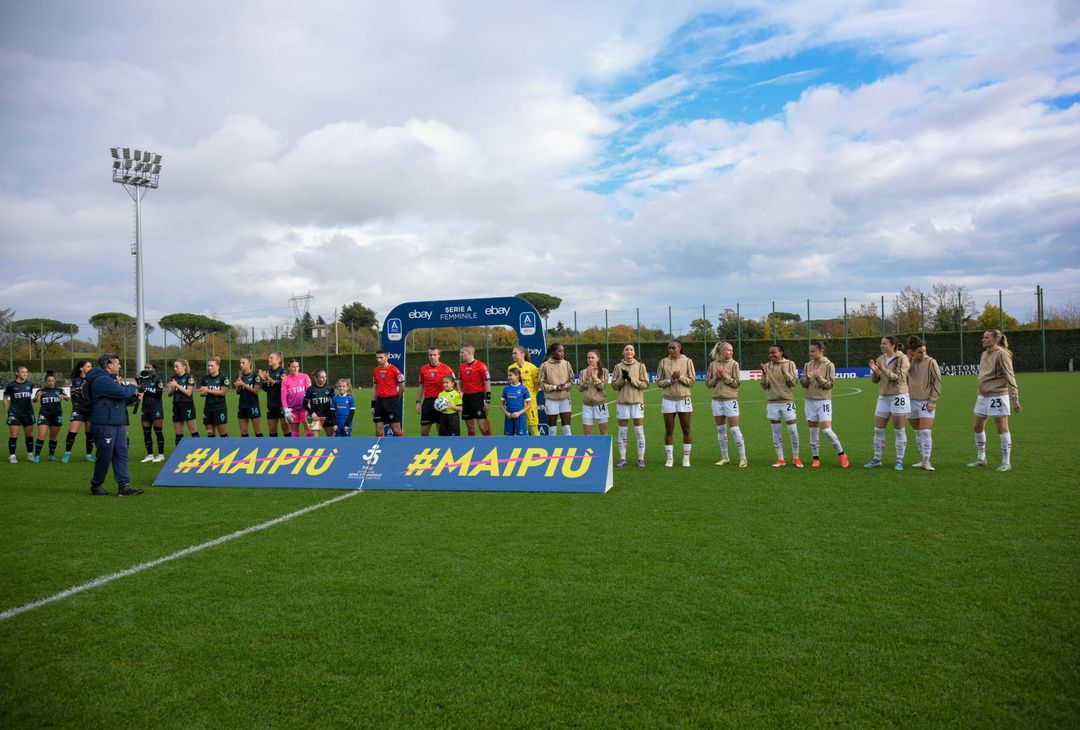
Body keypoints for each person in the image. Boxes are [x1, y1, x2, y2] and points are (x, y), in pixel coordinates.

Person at [85, 353, 143, 496]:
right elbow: (121, 392)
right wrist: (132, 387)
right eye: (118, 363)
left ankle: (124, 486)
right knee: (105, 456)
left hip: (117, 423)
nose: (119, 366)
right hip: (105, 424)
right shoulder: (101, 380)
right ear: (109, 365)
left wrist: (133, 398)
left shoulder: (109, 379)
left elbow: (120, 399)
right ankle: (96, 485)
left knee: (121, 454)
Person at [970, 329, 1021, 471]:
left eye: (986, 337)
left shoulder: (1002, 354)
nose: (983, 340)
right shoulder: (984, 353)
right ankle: (981, 458)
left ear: (995, 339)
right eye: (983, 337)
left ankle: (1006, 462)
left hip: (998, 396)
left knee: (1002, 428)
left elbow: (1010, 376)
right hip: (983, 396)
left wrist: (1014, 399)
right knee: (977, 426)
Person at [800, 341, 849, 469]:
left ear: (821, 351)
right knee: (813, 432)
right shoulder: (807, 365)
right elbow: (803, 384)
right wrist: (807, 378)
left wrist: (819, 379)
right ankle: (816, 458)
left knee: (827, 430)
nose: (810, 353)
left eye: (813, 351)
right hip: (809, 400)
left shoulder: (829, 365)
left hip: (823, 401)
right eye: (809, 351)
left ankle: (842, 454)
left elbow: (830, 385)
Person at [865, 335, 910, 471]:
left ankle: (899, 460)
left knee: (899, 430)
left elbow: (899, 379)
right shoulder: (881, 358)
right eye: (881, 343)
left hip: (898, 396)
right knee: (878, 429)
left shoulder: (902, 358)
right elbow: (875, 380)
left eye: (884, 343)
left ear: (893, 345)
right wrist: (875, 372)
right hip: (883, 396)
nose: (881, 345)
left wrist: (883, 369)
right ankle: (877, 459)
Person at [705, 341, 748, 468]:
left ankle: (743, 458)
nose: (731, 352)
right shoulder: (713, 365)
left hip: (730, 400)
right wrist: (717, 378)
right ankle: (725, 457)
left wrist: (724, 376)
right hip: (717, 400)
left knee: (734, 429)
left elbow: (736, 383)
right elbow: (708, 384)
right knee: (720, 429)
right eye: (728, 350)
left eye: (732, 350)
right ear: (721, 351)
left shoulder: (734, 364)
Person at [761, 345, 802, 468]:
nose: (771, 355)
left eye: (773, 352)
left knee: (792, 430)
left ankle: (796, 457)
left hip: (787, 401)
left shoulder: (790, 364)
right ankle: (780, 459)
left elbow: (794, 382)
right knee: (776, 431)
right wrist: (764, 374)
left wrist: (785, 373)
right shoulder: (767, 366)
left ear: (781, 353)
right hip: (772, 403)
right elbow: (764, 386)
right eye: (770, 353)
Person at [657, 339, 696, 467]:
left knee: (686, 429)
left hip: (684, 399)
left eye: (673, 348)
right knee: (669, 430)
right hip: (668, 399)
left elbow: (692, 380)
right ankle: (669, 458)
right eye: (669, 348)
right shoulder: (663, 362)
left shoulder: (688, 361)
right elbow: (658, 382)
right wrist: (670, 380)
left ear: (680, 348)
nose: (671, 350)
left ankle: (686, 458)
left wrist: (680, 377)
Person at [907, 336, 942, 470]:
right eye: (920, 352)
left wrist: (933, 400)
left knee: (926, 432)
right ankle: (922, 459)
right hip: (910, 402)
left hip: (926, 401)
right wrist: (909, 360)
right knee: (917, 433)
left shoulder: (931, 362)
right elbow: (902, 376)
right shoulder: (908, 362)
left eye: (924, 351)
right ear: (912, 352)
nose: (923, 354)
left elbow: (937, 382)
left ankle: (927, 461)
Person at [611, 343, 649, 467]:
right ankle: (622, 459)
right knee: (623, 431)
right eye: (626, 349)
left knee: (639, 431)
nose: (629, 351)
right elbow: (614, 386)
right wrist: (622, 378)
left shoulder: (640, 366)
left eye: (631, 349)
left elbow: (645, 384)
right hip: (622, 402)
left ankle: (641, 459)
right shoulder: (618, 366)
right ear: (623, 352)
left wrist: (631, 380)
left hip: (637, 402)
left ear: (634, 352)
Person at [538, 343, 575, 436]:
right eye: (559, 351)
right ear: (552, 352)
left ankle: (569, 448)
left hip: (565, 399)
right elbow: (540, 383)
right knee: (552, 429)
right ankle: (552, 448)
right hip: (551, 400)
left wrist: (565, 386)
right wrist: (554, 387)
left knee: (567, 428)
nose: (562, 353)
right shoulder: (544, 365)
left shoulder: (567, 364)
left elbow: (572, 381)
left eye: (563, 351)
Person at [416, 347, 454, 436]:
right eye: (430, 355)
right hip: (428, 402)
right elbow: (421, 386)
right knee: (424, 431)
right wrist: (418, 402)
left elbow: (454, 384)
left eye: (434, 355)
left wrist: (456, 395)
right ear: (428, 356)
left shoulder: (447, 369)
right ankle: (425, 448)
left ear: (439, 355)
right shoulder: (423, 369)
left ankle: (441, 448)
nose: (432, 357)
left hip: (442, 401)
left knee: (441, 430)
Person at [62, 359, 95, 463]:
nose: (91, 368)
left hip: (91, 410)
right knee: (72, 433)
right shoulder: (75, 380)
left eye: (91, 366)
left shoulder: (94, 380)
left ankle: (88, 455)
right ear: (82, 368)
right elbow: (75, 396)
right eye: (88, 366)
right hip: (79, 409)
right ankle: (67, 453)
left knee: (90, 434)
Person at [32, 370, 68, 462]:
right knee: (41, 435)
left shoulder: (60, 390)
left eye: (52, 381)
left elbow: (67, 398)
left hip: (56, 415)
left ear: (55, 381)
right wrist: (37, 397)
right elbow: (34, 400)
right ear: (46, 382)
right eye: (49, 381)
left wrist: (63, 397)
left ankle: (51, 455)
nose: (51, 382)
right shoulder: (41, 390)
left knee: (53, 436)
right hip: (44, 415)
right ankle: (36, 456)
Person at [458, 345, 492, 436]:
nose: (460, 355)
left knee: (482, 426)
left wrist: (488, 401)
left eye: (462, 352)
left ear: (469, 353)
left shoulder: (481, 366)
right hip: (466, 398)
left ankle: (489, 444)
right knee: (470, 427)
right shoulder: (461, 367)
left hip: (478, 398)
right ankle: (472, 445)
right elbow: (460, 383)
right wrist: (459, 391)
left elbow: (487, 384)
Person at [135, 363, 166, 462]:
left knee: (158, 431)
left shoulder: (158, 380)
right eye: (145, 368)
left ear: (154, 369)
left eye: (149, 368)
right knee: (146, 433)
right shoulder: (142, 379)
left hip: (156, 408)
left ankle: (161, 455)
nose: (146, 369)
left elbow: (158, 395)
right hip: (145, 408)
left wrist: (146, 391)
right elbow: (138, 385)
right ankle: (150, 455)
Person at [508, 345, 541, 435]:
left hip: (529, 402)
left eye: (515, 353)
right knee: (518, 429)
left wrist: (531, 395)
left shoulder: (532, 367)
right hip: (516, 402)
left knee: (533, 427)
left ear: (522, 354)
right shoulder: (511, 367)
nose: (513, 355)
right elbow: (510, 385)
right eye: (512, 353)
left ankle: (537, 447)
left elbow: (537, 385)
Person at [5, 366, 35, 463]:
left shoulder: (30, 384)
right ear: (17, 373)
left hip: (28, 413)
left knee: (29, 434)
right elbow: (5, 398)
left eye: (26, 372)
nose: (25, 374)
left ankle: (30, 454)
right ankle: (12, 456)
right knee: (14, 435)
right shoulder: (11, 385)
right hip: (14, 413)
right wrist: (7, 411)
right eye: (22, 372)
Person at [372, 349, 405, 436]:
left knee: (396, 428)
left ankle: (402, 447)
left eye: (381, 357)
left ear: (387, 357)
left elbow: (402, 386)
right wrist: (373, 405)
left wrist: (396, 398)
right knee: (378, 429)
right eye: (377, 357)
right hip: (379, 402)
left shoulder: (394, 370)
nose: (379, 359)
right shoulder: (375, 371)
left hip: (391, 401)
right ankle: (379, 448)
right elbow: (375, 388)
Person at [166, 359, 198, 445]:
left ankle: (198, 450)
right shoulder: (173, 378)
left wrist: (177, 385)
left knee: (193, 431)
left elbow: (188, 393)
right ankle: (178, 454)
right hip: (176, 406)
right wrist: (172, 389)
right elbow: (169, 394)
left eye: (177, 366)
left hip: (187, 405)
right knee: (178, 433)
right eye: (174, 367)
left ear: (184, 367)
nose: (175, 368)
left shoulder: (189, 377)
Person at [577, 350, 609, 436]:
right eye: (588, 358)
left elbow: (602, 386)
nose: (590, 359)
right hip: (587, 406)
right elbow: (580, 388)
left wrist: (593, 376)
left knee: (603, 433)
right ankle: (590, 449)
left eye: (592, 357)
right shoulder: (583, 372)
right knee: (587, 434)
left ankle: (604, 449)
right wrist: (587, 377)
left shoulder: (604, 371)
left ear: (597, 358)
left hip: (600, 405)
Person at [234, 356, 264, 437]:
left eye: (243, 363)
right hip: (242, 405)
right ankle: (245, 448)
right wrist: (238, 384)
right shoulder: (239, 375)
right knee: (244, 432)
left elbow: (256, 391)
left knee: (257, 431)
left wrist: (243, 384)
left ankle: (261, 447)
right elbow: (237, 392)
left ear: (249, 364)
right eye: (240, 363)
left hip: (253, 405)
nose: (241, 365)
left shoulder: (255, 375)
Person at [199, 358, 230, 437]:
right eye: (208, 365)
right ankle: (213, 449)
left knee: (223, 433)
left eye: (212, 365)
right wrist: (203, 392)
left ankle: (227, 449)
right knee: (210, 433)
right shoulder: (205, 378)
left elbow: (223, 392)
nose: (209, 367)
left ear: (218, 366)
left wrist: (208, 390)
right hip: (208, 408)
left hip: (219, 408)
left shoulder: (223, 378)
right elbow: (202, 393)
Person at [281, 359, 312, 437]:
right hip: (293, 409)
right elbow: (283, 398)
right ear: (289, 368)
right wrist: (286, 410)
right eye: (293, 367)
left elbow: (311, 393)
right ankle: (298, 447)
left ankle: (313, 447)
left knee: (311, 431)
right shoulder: (285, 380)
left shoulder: (305, 376)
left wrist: (310, 407)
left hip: (305, 408)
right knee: (295, 434)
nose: (295, 368)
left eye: (297, 366)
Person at [258, 352, 286, 437]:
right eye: (269, 357)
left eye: (271, 358)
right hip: (271, 403)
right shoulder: (268, 372)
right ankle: (274, 448)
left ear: (278, 360)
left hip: (281, 404)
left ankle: (289, 446)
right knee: (272, 429)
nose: (269, 359)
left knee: (285, 428)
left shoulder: (283, 372)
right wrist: (263, 380)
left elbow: (281, 387)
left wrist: (268, 378)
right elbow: (266, 389)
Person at [304, 369, 336, 436]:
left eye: (325, 377)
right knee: (316, 441)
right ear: (316, 378)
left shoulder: (330, 388)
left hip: (328, 416)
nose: (324, 379)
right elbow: (304, 404)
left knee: (331, 438)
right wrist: (312, 413)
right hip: (315, 417)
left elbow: (335, 401)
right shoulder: (310, 390)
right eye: (322, 377)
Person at [501, 367, 531, 435]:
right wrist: (506, 413)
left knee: (521, 439)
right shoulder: (506, 389)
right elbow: (501, 404)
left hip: (520, 416)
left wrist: (518, 413)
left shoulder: (524, 389)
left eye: (510, 375)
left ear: (517, 376)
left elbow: (529, 405)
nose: (508, 377)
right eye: (508, 375)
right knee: (509, 438)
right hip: (509, 417)